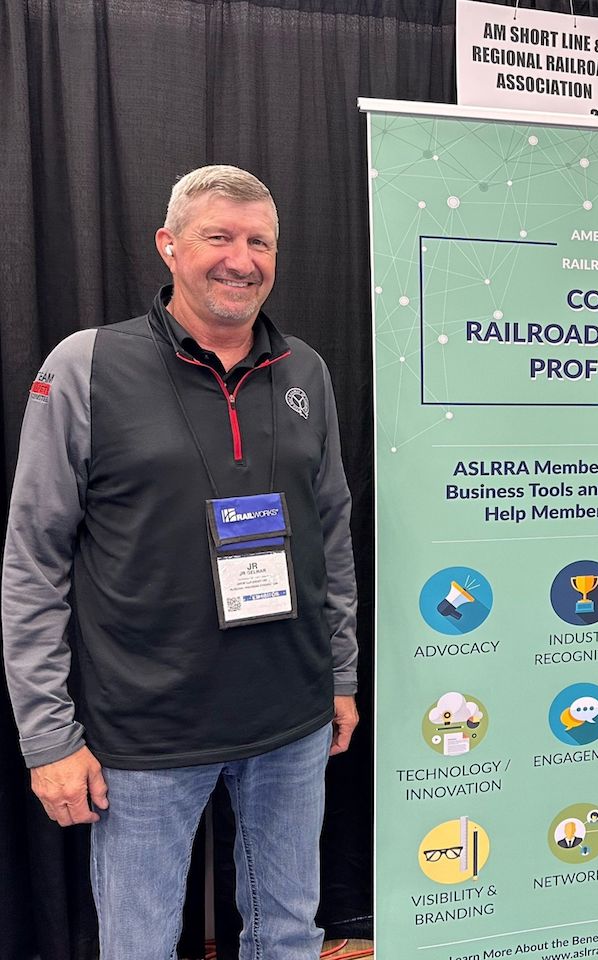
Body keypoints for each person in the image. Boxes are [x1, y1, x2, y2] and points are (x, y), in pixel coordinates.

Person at [2, 165, 358, 959]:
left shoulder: (305, 370)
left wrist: (340, 676)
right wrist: (48, 738)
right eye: (218, 237)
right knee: (138, 944)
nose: (241, 259)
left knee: (290, 934)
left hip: (291, 722)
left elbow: (330, 530)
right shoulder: (85, 365)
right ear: (169, 246)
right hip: (144, 733)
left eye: (259, 241)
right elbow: (33, 557)